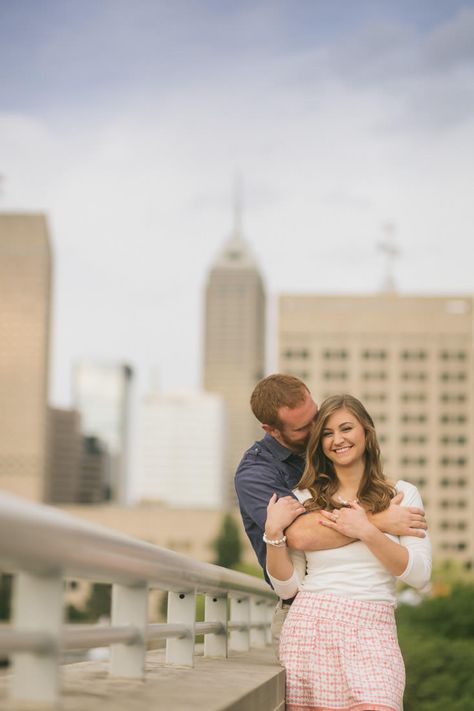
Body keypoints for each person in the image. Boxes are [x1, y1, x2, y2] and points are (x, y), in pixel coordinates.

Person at [265, 394, 432, 711]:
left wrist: (366, 531)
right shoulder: (305, 498)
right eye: (327, 433)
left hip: (373, 630)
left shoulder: (402, 494)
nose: (337, 440)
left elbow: (420, 575)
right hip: (309, 630)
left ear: (366, 433)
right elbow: (288, 587)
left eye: (346, 429)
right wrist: (273, 534)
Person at [234, 374, 428, 648]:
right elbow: (300, 536)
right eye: (304, 428)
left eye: (317, 418)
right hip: (301, 610)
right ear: (272, 430)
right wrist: (378, 521)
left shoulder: (392, 488)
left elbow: (419, 573)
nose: (317, 429)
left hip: (371, 620)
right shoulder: (257, 474)